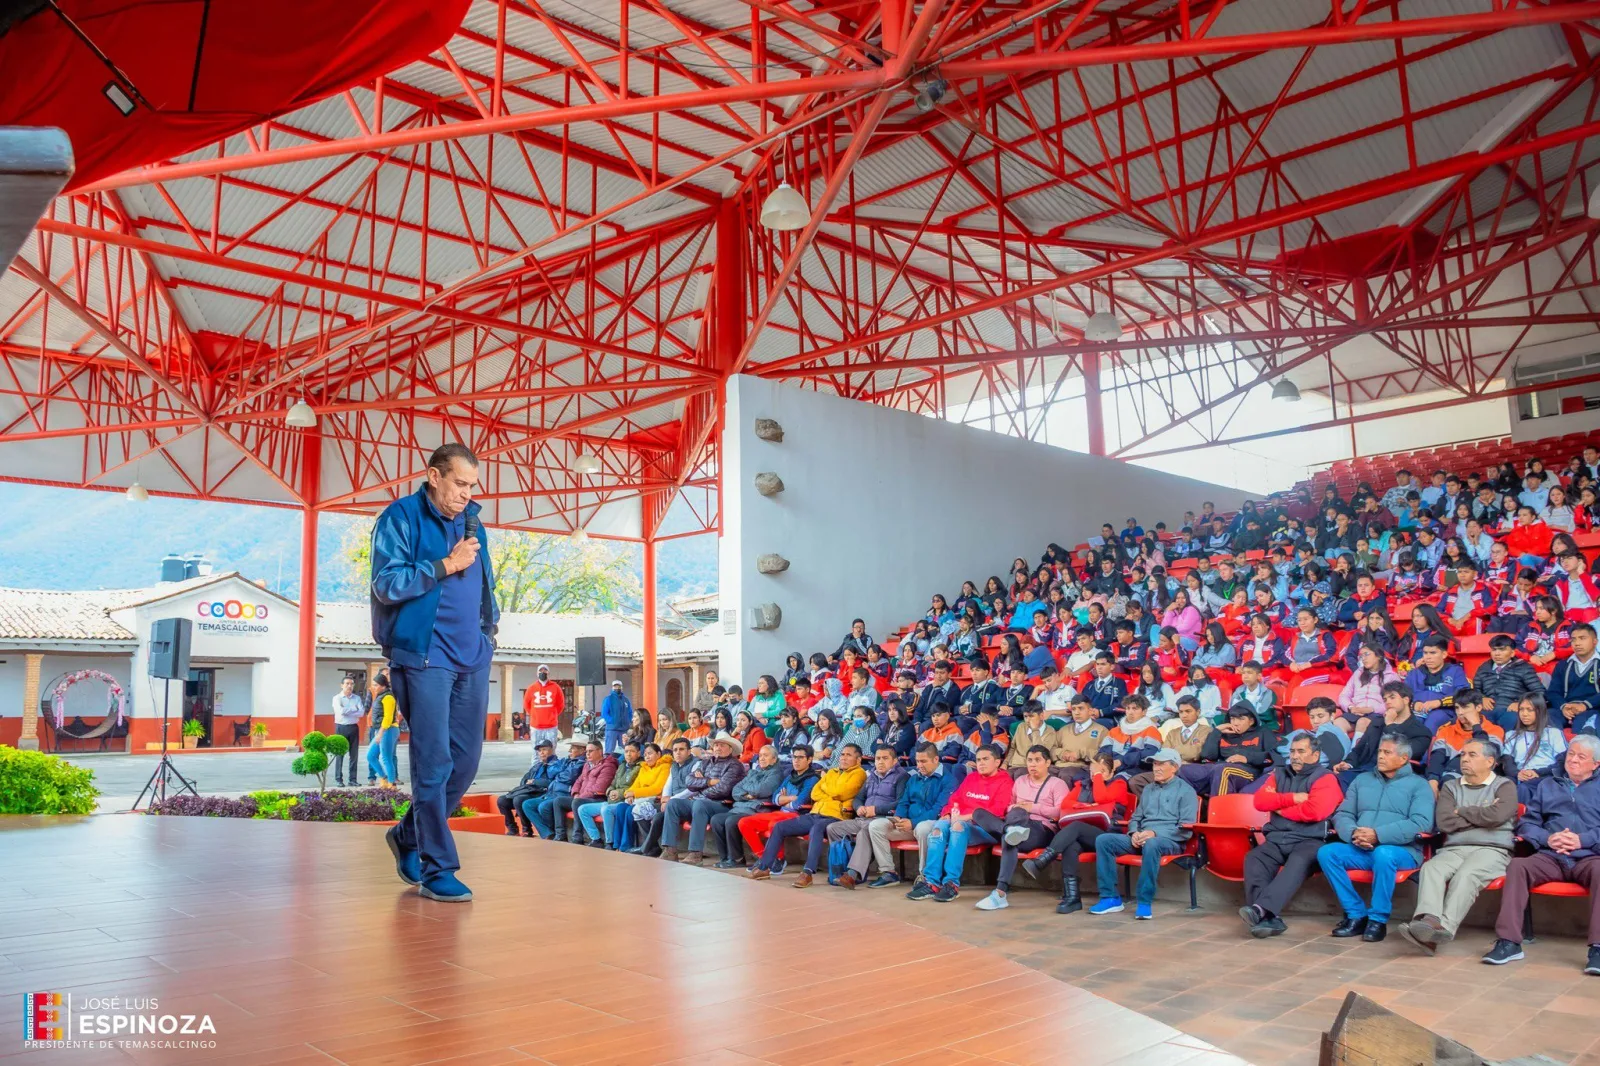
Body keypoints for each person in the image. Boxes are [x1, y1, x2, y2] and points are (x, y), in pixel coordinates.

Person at [369, 443, 501, 901]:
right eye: (460, 483)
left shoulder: (471, 523)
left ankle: (408, 834)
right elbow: (386, 584)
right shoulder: (401, 517)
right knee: (434, 764)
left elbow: (484, 583)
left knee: (464, 765)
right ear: (434, 475)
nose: (467, 494)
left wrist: (489, 634)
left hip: (472, 657)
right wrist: (444, 565)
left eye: (472, 486)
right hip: (424, 658)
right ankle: (437, 867)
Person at [1483, 734, 1600, 974]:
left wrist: (1582, 839)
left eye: (1581, 757)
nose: (1574, 760)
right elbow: (1528, 823)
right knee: (1518, 866)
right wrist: (1548, 838)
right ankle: (1509, 942)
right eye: (1571, 754)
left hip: (1590, 856)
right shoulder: (1548, 784)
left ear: (1595, 764)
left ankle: (1598, 948)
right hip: (1552, 855)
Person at [1399, 739, 1517, 954]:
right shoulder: (1452, 787)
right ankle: (1429, 922)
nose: (1464, 759)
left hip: (1492, 849)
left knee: (1467, 874)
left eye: (1472, 755)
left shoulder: (1505, 786)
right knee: (1431, 868)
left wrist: (1462, 811)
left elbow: (1498, 816)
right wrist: (1483, 813)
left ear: (1490, 761)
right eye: (1463, 754)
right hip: (1454, 848)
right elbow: (1445, 822)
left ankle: (1443, 930)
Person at [1317, 733, 1434, 942]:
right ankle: (1356, 914)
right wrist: (1353, 833)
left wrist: (1378, 835)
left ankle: (1377, 920)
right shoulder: (1362, 780)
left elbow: (1421, 823)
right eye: (1380, 751)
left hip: (1403, 851)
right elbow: (1343, 814)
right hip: (1361, 847)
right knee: (1327, 853)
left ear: (1404, 758)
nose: (1380, 756)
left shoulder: (1419, 785)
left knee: (1384, 853)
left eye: (1387, 752)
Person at [1239, 732, 1342, 938]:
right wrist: (1293, 798)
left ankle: (1261, 910)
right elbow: (1260, 801)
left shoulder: (1326, 778)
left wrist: (1279, 807)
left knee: (1299, 860)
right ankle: (1268, 917)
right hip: (1278, 838)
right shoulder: (1279, 774)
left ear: (1315, 755)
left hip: (1310, 841)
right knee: (1255, 857)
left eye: (1301, 751)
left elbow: (1315, 812)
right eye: (1293, 751)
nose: (1295, 756)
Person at [1088, 747, 1199, 920]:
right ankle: (1110, 898)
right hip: (1141, 838)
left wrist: (1153, 833)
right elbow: (1136, 817)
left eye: (1161, 764)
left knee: (1152, 844)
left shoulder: (1186, 791)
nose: (1156, 768)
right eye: (1154, 764)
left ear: (1175, 767)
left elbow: (1186, 828)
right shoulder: (1148, 789)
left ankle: (1144, 901)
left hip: (1170, 841)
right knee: (1104, 840)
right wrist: (1134, 833)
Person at [1019, 752, 1128, 913]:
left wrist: (1097, 778)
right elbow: (1066, 804)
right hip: (1082, 834)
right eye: (1092, 772)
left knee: (1076, 826)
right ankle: (1072, 898)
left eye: (1102, 771)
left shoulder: (1118, 784)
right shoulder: (1081, 785)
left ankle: (1042, 860)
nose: (1095, 776)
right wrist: (1087, 807)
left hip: (1108, 835)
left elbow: (1102, 797)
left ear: (1111, 773)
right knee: (1071, 845)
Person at [906, 743, 1014, 902]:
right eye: (978, 760)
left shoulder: (1005, 781)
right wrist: (947, 814)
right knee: (939, 827)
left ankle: (951, 883)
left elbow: (997, 812)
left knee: (958, 827)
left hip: (986, 829)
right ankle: (931, 882)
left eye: (985, 759)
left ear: (997, 762)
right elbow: (954, 799)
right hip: (960, 822)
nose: (981, 763)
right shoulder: (971, 778)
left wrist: (965, 817)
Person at [749, 743, 867, 886]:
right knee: (780, 827)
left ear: (858, 759)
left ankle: (808, 872)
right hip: (815, 813)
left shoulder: (859, 773)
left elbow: (841, 792)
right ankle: (764, 868)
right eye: (842, 754)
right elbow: (815, 793)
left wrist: (826, 787)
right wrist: (829, 790)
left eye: (849, 755)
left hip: (836, 817)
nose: (843, 758)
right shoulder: (831, 772)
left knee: (816, 829)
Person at [976, 746, 1069, 911]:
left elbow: (1060, 811)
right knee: (979, 813)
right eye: (1030, 760)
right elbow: (1008, 807)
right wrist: (1017, 809)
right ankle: (1009, 830)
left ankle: (1000, 893)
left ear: (1048, 762)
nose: (1033, 764)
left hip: (1041, 828)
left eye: (1038, 760)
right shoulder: (1020, 781)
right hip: (1017, 824)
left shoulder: (1057, 784)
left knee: (1012, 832)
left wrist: (1031, 808)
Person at [827, 745, 909, 888]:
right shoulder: (871, 775)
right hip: (863, 818)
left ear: (894, 761)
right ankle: (841, 869)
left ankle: (853, 874)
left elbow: (901, 802)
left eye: (885, 758)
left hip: (883, 819)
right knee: (833, 828)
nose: (880, 762)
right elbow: (858, 798)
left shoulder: (902, 776)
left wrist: (876, 810)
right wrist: (859, 807)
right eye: (878, 758)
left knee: (866, 830)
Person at [660, 732, 747, 863]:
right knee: (673, 804)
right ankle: (670, 850)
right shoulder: (707, 762)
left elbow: (723, 789)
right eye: (716, 745)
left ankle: (695, 853)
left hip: (722, 804)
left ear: (730, 749)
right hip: (700, 802)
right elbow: (689, 781)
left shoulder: (734, 765)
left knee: (698, 804)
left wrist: (700, 787)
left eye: (722, 745)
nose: (717, 748)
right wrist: (709, 782)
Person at [736, 745, 821, 865]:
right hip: (781, 812)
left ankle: (779, 859)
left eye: (801, 757)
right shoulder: (790, 776)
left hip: (797, 816)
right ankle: (763, 858)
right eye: (794, 757)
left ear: (810, 759)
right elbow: (775, 797)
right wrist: (789, 798)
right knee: (744, 822)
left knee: (774, 824)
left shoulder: (812, 779)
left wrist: (783, 799)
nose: (796, 760)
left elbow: (799, 803)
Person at [708, 745, 786, 868]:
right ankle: (725, 857)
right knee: (716, 819)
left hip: (756, 809)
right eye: (760, 755)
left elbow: (762, 790)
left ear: (774, 759)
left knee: (730, 821)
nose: (762, 758)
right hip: (740, 807)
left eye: (766, 755)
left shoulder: (775, 774)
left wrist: (749, 790)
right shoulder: (754, 772)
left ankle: (737, 859)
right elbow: (735, 790)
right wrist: (748, 794)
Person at [1503, 696, 1568, 804]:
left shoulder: (1553, 733)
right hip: (1519, 776)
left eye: (1530, 710)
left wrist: (1537, 772)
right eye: (1521, 709)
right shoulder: (1511, 735)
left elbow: (1561, 762)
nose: (1524, 714)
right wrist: (1517, 773)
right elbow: (1507, 762)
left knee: (1524, 788)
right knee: (1503, 785)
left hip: (1545, 776)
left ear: (1540, 711)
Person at [523, 737, 586, 841]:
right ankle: (548, 833)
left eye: (573, 748)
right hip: (552, 792)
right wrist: (562, 771)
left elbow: (569, 777)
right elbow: (552, 772)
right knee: (527, 804)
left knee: (544, 807)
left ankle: (555, 833)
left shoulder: (581, 762)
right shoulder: (567, 760)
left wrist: (560, 774)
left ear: (582, 750)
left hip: (564, 794)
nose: (569, 750)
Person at [1473, 634, 1543, 728]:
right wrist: (1481, 698)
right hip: (1487, 710)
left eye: (1502, 649)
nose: (1497, 653)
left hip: (1510, 710)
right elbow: (1474, 690)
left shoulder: (1523, 668)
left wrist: (1521, 704)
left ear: (1512, 653)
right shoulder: (1483, 668)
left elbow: (1540, 692)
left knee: (1512, 720)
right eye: (1494, 650)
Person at [1545, 622, 1600, 730]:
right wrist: (1564, 706)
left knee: (1582, 722)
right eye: (1573, 639)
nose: (1577, 643)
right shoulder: (1563, 665)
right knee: (1546, 717)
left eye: (1582, 638)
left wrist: (1585, 705)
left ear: (1595, 642)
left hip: (1593, 708)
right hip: (1566, 708)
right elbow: (1553, 692)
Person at [497, 738, 557, 835]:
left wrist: (535, 781)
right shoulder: (537, 766)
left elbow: (554, 783)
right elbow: (524, 780)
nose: (542, 753)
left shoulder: (557, 765)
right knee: (502, 800)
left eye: (544, 750)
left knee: (518, 799)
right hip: (529, 791)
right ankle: (512, 828)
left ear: (552, 750)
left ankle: (527, 829)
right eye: (540, 751)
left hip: (541, 793)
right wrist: (527, 783)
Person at [571, 742, 626, 846]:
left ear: (600, 752)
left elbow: (599, 788)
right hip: (582, 797)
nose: (587, 754)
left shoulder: (608, 766)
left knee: (577, 803)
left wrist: (579, 797)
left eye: (590, 751)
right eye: (586, 751)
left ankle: (578, 835)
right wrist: (576, 793)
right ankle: (559, 834)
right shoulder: (587, 765)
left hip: (597, 798)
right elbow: (578, 781)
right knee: (558, 802)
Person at [364, 671, 401, 787]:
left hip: (388, 730)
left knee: (386, 758)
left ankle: (392, 784)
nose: (374, 687)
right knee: (370, 756)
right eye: (373, 685)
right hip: (381, 730)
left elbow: (388, 718)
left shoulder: (388, 697)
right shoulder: (380, 696)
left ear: (383, 685)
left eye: (376, 685)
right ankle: (384, 778)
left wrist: (380, 733)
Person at [330, 676, 365, 787]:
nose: (349, 686)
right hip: (341, 727)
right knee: (339, 754)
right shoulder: (337, 698)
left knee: (354, 755)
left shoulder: (357, 698)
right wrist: (354, 709)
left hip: (353, 727)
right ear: (342, 685)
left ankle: (352, 779)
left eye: (351, 684)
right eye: (347, 684)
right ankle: (338, 779)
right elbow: (340, 712)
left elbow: (361, 713)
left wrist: (348, 710)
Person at [523, 664, 565, 754]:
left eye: (545, 670)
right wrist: (535, 714)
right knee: (536, 751)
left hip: (551, 726)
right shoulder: (531, 688)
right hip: (536, 726)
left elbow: (560, 705)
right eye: (540, 671)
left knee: (551, 750)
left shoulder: (556, 687)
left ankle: (551, 768)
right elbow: (526, 705)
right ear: (537, 673)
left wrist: (552, 714)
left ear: (548, 672)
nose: (542, 672)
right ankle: (536, 768)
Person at [600, 680, 633, 755]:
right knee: (609, 750)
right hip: (612, 729)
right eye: (615, 686)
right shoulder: (608, 699)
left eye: (619, 686)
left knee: (626, 750)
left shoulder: (626, 700)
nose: (617, 688)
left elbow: (630, 712)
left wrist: (628, 721)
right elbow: (604, 713)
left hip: (624, 729)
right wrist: (612, 721)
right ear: (612, 687)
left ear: (622, 687)